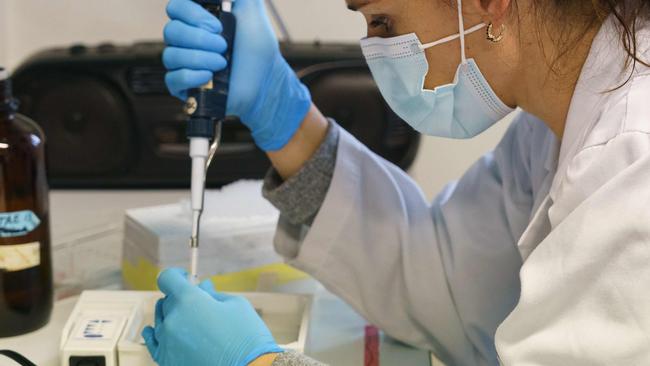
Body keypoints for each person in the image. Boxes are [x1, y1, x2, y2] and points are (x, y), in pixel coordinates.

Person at [141, 0, 650, 364]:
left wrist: (255, 364)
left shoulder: (633, 165)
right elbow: (451, 289)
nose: (377, 50)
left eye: (383, 22)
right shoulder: (556, 123)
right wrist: (280, 111)